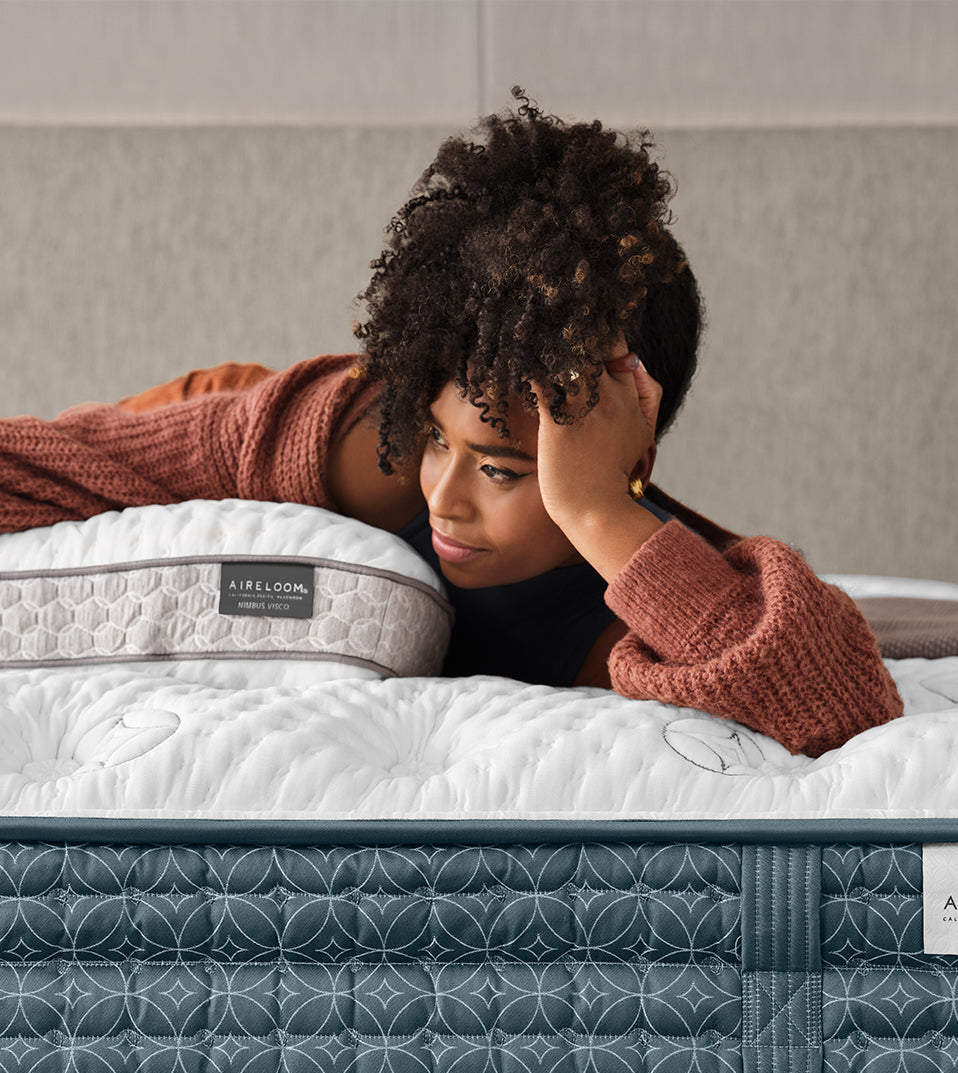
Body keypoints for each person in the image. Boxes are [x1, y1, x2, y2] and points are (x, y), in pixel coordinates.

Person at [0, 91, 902, 757]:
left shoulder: (635, 579)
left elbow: (844, 709)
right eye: (439, 439)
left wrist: (596, 510)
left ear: (629, 443)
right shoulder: (363, 450)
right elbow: (47, 467)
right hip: (221, 410)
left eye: (503, 470)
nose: (445, 498)